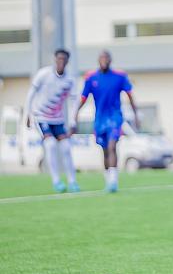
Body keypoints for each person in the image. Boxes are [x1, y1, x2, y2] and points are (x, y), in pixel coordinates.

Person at [74, 50, 139, 192]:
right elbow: (83, 98)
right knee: (104, 150)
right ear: (98, 60)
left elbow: (130, 95)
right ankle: (108, 180)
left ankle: (114, 181)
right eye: (101, 58)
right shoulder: (91, 78)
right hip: (99, 120)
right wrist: (76, 113)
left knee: (112, 146)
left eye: (106, 58)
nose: (104, 60)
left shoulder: (119, 76)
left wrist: (136, 115)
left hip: (115, 117)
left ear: (110, 60)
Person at [24, 49, 80, 193]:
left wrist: (73, 122)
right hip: (41, 117)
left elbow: (74, 101)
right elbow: (31, 93)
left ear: (67, 61)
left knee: (66, 147)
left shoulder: (70, 80)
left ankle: (72, 182)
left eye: (64, 59)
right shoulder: (44, 74)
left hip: (58, 120)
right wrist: (27, 114)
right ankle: (56, 182)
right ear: (55, 60)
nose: (61, 61)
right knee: (50, 145)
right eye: (58, 58)